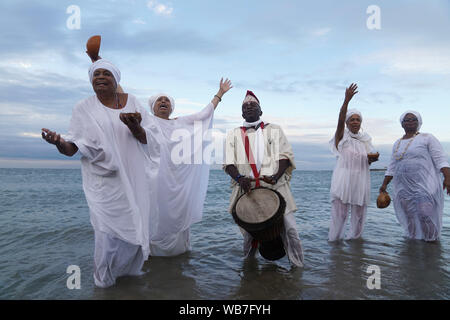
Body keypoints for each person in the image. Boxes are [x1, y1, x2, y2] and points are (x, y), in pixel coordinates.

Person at [41, 59, 158, 288]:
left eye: (106, 74)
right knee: (106, 238)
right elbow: (73, 148)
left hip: (134, 181)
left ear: (116, 80)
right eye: (96, 74)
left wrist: (134, 125)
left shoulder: (132, 101)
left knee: (135, 234)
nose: (101, 77)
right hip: (104, 186)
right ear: (91, 81)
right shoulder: (83, 108)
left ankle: (129, 282)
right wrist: (58, 143)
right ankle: (103, 286)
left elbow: (150, 139)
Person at [140, 80, 233, 257]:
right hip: (153, 181)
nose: (163, 103)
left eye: (166, 100)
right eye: (159, 100)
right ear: (152, 106)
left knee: (177, 214)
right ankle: (151, 254)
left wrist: (219, 94)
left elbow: (203, 115)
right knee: (154, 214)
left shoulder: (180, 123)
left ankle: (178, 255)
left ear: (171, 107)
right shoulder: (145, 121)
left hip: (178, 182)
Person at [223, 90, 304, 267]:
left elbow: (285, 156)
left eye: (253, 105)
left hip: (275, 186)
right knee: (248, 235)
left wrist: (275, 177)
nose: (249, 107)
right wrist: (239, 178)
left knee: (290, 230)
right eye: (245, 106)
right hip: (247, 189)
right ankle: (249, 270)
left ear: (261, 111)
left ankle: (298, 269)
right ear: (242, 113)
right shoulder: (233, 134)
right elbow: (228, 163)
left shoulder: (274, 129)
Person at [379, 111, 450, 241]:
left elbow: (441, 159)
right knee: (409, 215)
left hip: (426, 185)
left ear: (419, 122)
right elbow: (392, 166)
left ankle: (432, 244)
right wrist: (384, 184)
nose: (410, 121)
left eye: (414, 119)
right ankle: (413, 245)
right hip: (403, 187)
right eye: (407, 120)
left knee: (425, 214)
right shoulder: (398, 143)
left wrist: (447, 177)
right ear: (402, 124)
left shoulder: (427, 138)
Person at [328, 83, 378, 242]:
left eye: (358, 119)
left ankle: (355, 248)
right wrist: (346, 100)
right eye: (352, 119)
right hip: (343, 180)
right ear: (347, 122)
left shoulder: (365, 140)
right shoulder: (342, 138)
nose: (355, 122)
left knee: (359, 216)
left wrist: (371, 159)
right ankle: (335, 246)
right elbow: (340, 118)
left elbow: (367, 161)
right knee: (340, 215)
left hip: (361, 180)